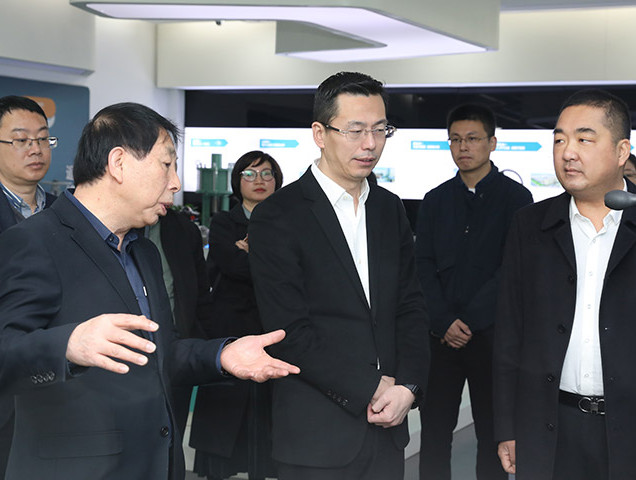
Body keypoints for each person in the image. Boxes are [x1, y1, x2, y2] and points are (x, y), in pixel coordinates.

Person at [0, 102, 299, 480]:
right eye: (166, 164)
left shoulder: (143, 251)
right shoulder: (34, 241)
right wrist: (68, 345)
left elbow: (159, 353)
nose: (176, 182)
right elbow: (2, 353)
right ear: (119, 163)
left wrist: (221, 355)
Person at [247, 71, 429, 480]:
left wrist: (409, 388)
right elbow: (289, 331)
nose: (370, 144)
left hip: (388, 428)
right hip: (317, 436)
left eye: (380, 130)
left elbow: (411, 306)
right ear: (320, 133)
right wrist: (371, 387)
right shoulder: (278, 215)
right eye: (355, 130)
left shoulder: (389, 209)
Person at [493, 89, 634, 480]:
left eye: (584, 139)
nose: (567, 152)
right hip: (550, 427)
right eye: (559, 140)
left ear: (621, 151)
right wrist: (506, 427)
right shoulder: (529, 225)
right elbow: (509, 333)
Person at [415, 104, 533, 480]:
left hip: (492, 338)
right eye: (455, 139)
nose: (463, 147)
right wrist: (444, 321)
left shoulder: (517, 200)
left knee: (492, 434)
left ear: (492, 143)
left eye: (472, 138)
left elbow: (512, 270)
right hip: (440, 339)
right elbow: (422, 267)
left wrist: (469, 320)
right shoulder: (435, 200)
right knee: (434, 434)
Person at [191, 150, 283, 480]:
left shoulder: (288, 222)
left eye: (267, 174)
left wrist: (250, 251)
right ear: (237, 181)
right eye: (250, 174)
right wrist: (266, 258)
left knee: (267, 418)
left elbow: (291, 269)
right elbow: (232, 265)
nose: (259, 181)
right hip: (229, 328)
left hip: (273, 330)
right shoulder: (222, 222)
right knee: (224, 416)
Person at [0, 95, 58, 478]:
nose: (35, 149)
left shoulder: (65, 213)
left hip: (58, 390)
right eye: (20, 140)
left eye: (42, 139)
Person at [143, 207, 213, 435]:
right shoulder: (113, 226)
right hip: (127, 352)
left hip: (175, 347)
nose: (173, 189)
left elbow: (201, 294)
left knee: (173, 432)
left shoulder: (184, 230)